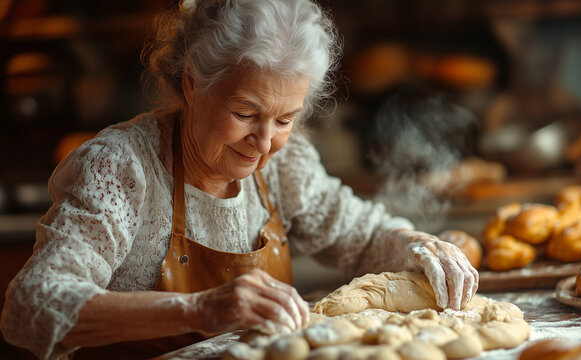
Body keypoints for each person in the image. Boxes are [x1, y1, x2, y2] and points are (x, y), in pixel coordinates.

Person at [0, 0, 478, 359]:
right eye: (246, 112)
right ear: (192, 83)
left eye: (286, 119)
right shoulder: (123, 169)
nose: (264, 141)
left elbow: (362, 235)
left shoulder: (284, 167)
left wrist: (413, 243)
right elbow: (30, 307)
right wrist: (199, 310)